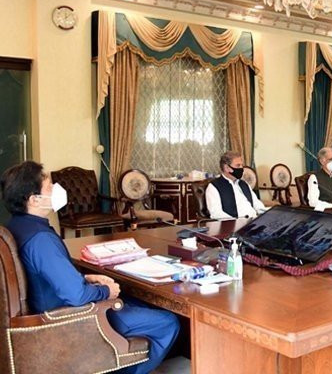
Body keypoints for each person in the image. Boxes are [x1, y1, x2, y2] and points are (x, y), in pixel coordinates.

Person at [0, 161, 180, 374]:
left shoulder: (16, 227)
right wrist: (106, 291)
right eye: (49, 187)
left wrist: (86, 279)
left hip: (50, 308)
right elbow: (76, 296)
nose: (57, 190)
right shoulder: (41, 240)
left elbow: (47, 275)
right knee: (167, 321)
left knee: (136, 302)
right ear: (34, 199)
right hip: (70, 319)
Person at [206, 151, 266, 219]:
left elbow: (256, 204)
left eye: (241, 165)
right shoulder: (214, 187)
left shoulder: (244, 184)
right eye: (238, 165)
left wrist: (269, 213)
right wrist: (237, 222)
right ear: (227, 168)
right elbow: (216, 213)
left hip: (253, 222)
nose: (242, 168)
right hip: (233, 226)